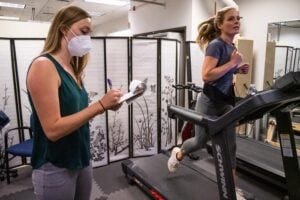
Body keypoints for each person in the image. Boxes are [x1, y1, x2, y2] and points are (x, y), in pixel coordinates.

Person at [26, 5, 123, 200]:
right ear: (63, 29)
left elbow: (76, 113)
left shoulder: (72, 68)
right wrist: (100, 105)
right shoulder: (44, 66)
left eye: (90, 33)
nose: (87, 38)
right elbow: (53, 130)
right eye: (83, 31)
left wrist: (107, 105)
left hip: (80, 157)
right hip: (55, 164)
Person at [167, 6, 252, 199]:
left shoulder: (232, 47)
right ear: (220, 24)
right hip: (209, 101)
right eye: (231, 19)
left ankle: (231, 191)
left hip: (226, 101)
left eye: (238, 18)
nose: (236, 21)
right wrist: (232, 64)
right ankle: (178, 153)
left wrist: (238, 70)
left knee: (231, 146)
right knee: (200, 141)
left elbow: (222, 73)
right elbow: (206, 75)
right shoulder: (216, 45)